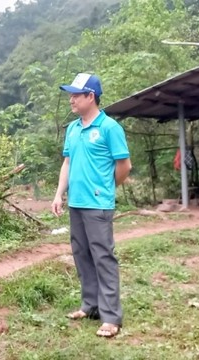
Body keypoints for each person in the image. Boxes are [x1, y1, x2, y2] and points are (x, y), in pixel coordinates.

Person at [51, 73, 132, 338]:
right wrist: (58, 194)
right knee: (82, 255)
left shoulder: (109, 128)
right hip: (76, 203)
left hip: (98, 205)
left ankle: (111, 317)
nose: (71, 99)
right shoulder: (73, 129)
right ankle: (90, 305)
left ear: (91, 96)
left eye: (76, 94)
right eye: (70, 94)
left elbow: (124, 166)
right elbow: (67, 163)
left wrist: (107, 189)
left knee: (103, 257)